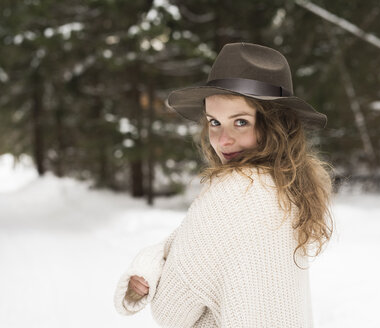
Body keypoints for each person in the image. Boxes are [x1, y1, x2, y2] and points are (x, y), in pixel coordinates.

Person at [113, 42, 333, 327]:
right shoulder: (289, 187)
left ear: (276, 124)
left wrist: (150, 259)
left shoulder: (236, 189)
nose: (223, 139)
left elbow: (170, 312)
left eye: (240, 122)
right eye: (214, 122)